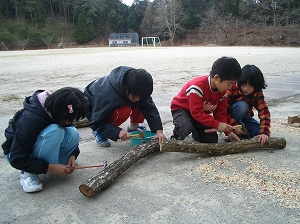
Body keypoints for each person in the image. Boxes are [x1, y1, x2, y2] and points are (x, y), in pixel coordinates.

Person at [2, 87, 88, 193]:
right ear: (63, 113)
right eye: (72, 118)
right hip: (18, 156)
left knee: (72, 132)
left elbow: (69, 133)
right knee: (56, 130)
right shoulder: (30, 120)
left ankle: (54, 163)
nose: (72, 121)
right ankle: (28, 173)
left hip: (38, 147)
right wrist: (51, 168)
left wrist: (72, 155)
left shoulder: (55, 109)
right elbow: (17, 159)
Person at [84, 66, 166, 147]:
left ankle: (133, 127)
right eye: (135, 96)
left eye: (139, 96)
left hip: (117, 98)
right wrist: (117, 132)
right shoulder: (107, 96)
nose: (137, 99)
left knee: (143, 103)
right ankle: (99, 132)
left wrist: (158, 131)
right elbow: (97, 122)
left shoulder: (136, 85)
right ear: (126, 88)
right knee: (123, 111)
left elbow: (149, 108)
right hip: (94, 110)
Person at [170, 56, 242, 143]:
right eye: (229, 84)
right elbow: (196, 112)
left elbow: (220, 114)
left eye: (233, 84)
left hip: (199, 114)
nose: (230, 87)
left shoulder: (222, 91)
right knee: (184, 127)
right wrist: (217, 124)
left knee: (211, 140)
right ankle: (175, 137)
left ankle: (195, 131)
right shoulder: (197, 87)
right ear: (216, 78)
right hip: (182, 110)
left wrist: (229, 132)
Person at [225, 64, 270, 145]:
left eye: (251, 86)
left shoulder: (257, 93)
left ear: (256, 86)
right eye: (244, 84)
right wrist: (234, 125)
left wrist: (264, 132)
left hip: (244, 118)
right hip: (229, 118)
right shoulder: (232, 88)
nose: (246, 89)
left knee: (257, 131)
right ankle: (229, 133)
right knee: (242, 105)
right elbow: (223, 111)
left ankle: (240, 132)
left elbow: (264, 112)